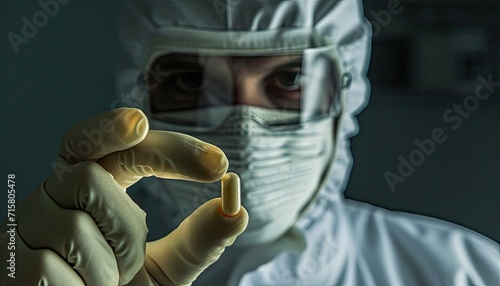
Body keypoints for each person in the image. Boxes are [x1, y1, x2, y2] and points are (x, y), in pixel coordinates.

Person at [1, 0, 499, 285]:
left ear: (346, 94)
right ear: (139, 97)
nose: (243, 127)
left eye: (289, 81)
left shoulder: (466, 273)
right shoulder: (59, 264)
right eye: (192, 83)